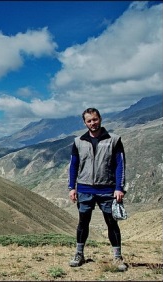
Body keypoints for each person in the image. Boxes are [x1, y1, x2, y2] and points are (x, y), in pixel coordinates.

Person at [67, 107, 127, 271]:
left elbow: (120, 165)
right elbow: (73, 166)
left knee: (111, 223)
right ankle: (79, 254)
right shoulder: (78, 141)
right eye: (89, 120)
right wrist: (72, 187)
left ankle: (117, 257)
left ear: (100, 118)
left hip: (107, 190)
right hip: (85, 190)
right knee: (83, 223)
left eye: (95, 119)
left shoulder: (114, 140)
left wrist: (119, 187)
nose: (92, 123)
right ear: (84, 122)